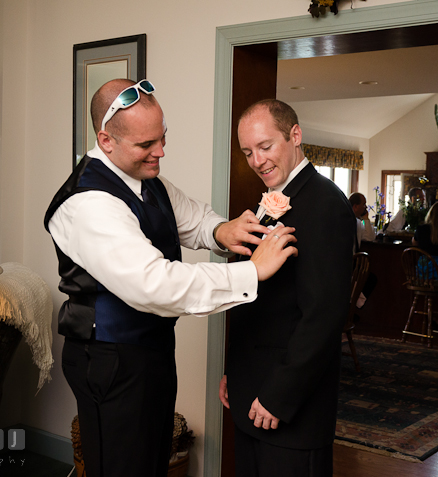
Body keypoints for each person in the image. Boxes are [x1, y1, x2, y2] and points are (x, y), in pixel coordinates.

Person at [44, 79, 298, 477]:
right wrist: (250, 271)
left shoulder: (146, 179)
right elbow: (155, 285)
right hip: (110, 360)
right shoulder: (88, 204)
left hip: (151, 353)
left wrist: (222, 230)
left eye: (162, 138)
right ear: (106, 140)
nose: (160, 152)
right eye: (146, 145)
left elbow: (190, 217)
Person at [219, 99, 355, 477]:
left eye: (265, 147)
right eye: (247, 151)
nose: (257, 161)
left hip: (289, 407)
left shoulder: (327, 204)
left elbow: (324, 317)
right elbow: (255, 301)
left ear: (295, 135)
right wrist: (234, 371)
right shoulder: (268, 203)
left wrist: (279, 396)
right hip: (250, 392)